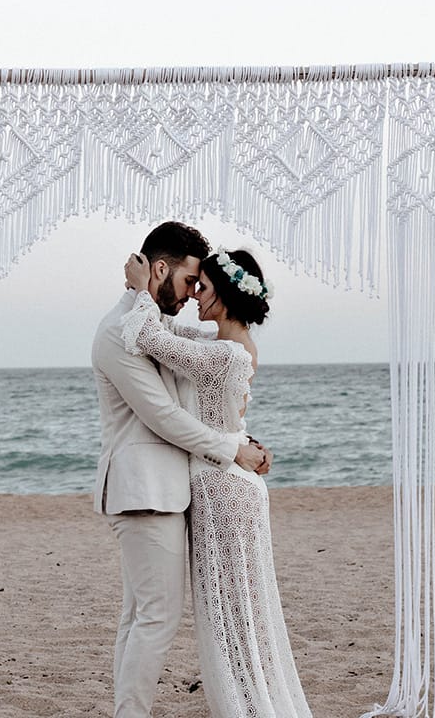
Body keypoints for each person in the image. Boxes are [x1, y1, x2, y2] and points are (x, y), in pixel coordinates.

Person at [121, 247, 312, 718]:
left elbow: (149, 336)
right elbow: (171, 332)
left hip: (224, 492)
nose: (195, 297)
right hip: (226, 484)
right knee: (236, 612)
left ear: (224, 296)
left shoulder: (223, 354)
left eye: (202, 288)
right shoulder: (227, 347)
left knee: (231, 618)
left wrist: (138, 287)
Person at [91, 221, 271, 718]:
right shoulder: (117, 332)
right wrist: (231, 451)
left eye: (201, 286)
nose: (193, 293)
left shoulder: (151, 324)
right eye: (190, 280)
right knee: (156, 619)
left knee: (140, 617)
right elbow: (164, 417)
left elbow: (203, 355)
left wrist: (239, 439)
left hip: (163, 492)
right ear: (161, 269)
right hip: (145, 492)